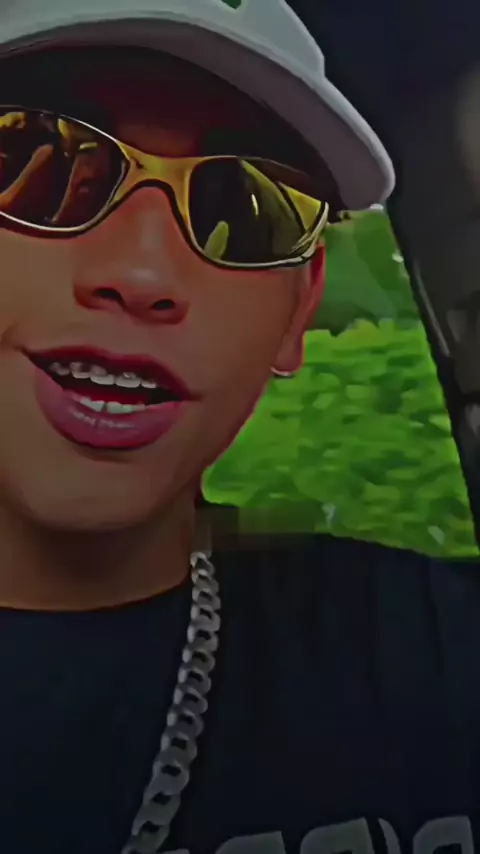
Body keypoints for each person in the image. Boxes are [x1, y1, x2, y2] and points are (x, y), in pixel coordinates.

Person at [0, 2, 478, 853]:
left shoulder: (443, 655)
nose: (144, 273)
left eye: (251, 207)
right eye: (38, 158)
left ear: (299, 309)